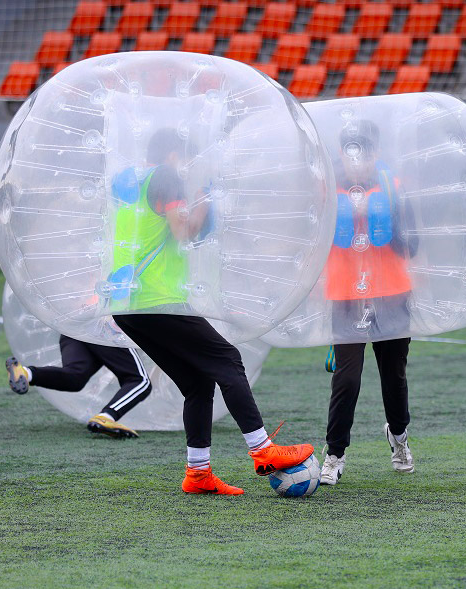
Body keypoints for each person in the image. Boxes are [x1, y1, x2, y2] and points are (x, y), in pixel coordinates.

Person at [104, 127, 313, 495]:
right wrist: (202, 199)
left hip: (127, 303)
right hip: (158, 300)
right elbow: (183, 231)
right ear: (174, 155)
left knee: (197, 381)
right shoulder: (166, 176)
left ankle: (198, 473)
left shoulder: (133, 182)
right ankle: (262, 448)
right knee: (228, 359)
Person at [320, 120, 416, 486]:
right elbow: (312, 242)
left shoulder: (392, 187)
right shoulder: (328, 190)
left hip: (392, 291)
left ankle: (399, 437)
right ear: (341, 154)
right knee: (347, 378)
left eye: (364, 150)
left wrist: (384, 218)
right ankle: (334, 454)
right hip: (346, 295)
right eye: (350, 151)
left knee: (394, 375)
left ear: (375, 153)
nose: (357, 159)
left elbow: (413, 244)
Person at [5, 336, 150, 439]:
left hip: (74, 329)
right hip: (107, 330)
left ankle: (26, 373)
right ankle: (106, 417)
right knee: (139, 380)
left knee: (75, 376)